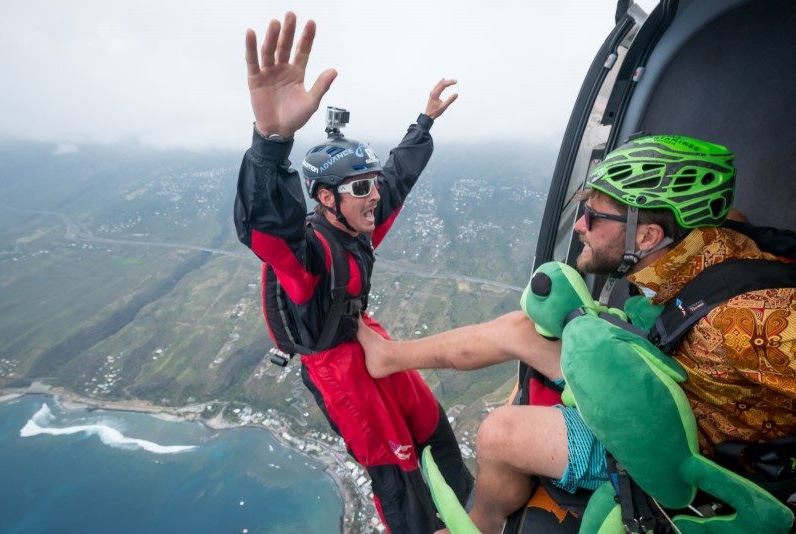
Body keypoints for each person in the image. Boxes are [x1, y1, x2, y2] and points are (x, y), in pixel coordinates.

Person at [359, 134, 796, 533]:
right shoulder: (714, 236)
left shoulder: (753, 322)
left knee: (499, 433)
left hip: (683, 447)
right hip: (658, 372)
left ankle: (483, 524)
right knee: (519, 328)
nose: (581, 226)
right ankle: (389, 357)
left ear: (646, 235)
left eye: (593, 215)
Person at [233, 12, 473, 533]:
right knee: (397, 474)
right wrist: (270, 141)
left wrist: (423, 123)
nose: (375, 194)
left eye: (371, 184)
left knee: (434, 429)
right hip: (338, 372)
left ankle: (476, 516)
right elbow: (268, 229)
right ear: (325, 198)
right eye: (361, 187)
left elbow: (398, 176)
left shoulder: (358, 226)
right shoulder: (312, 258)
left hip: (367, 340)